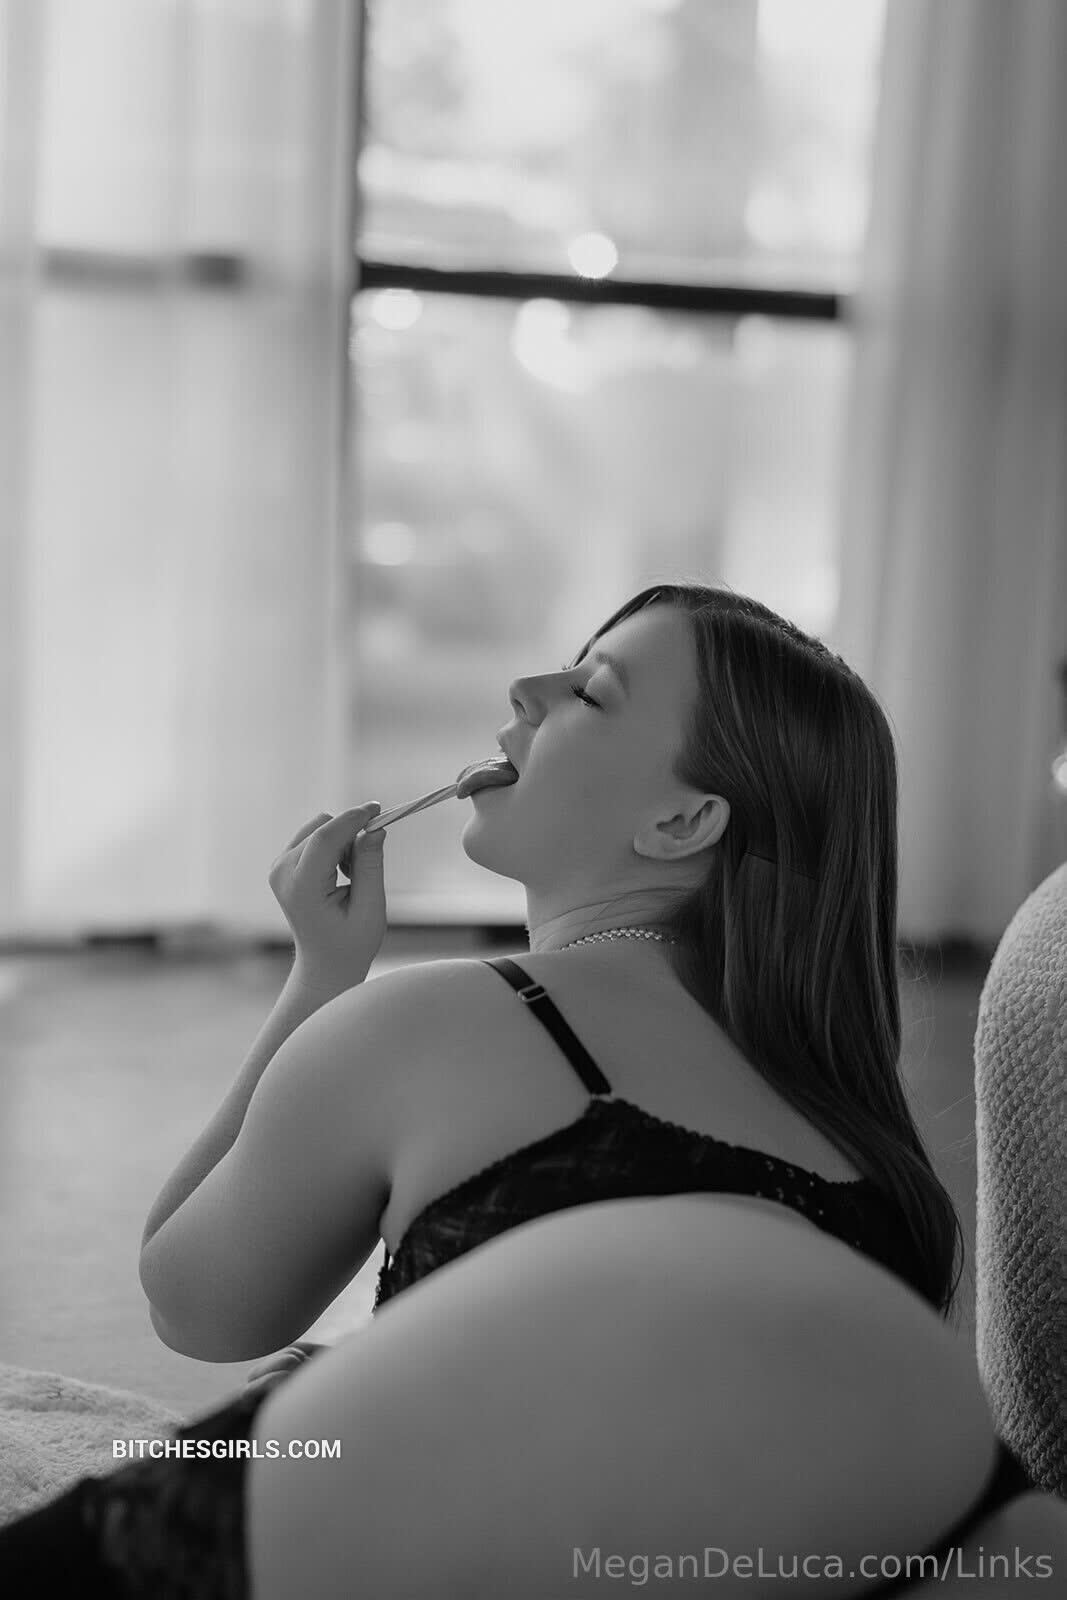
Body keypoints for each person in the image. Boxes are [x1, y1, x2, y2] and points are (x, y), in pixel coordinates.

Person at [0, 582, 1045, 1593]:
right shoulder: (856, 1133)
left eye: (589, 691)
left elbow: (194, 1303)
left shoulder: (435, 1024)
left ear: (682, 822)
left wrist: (319, 982)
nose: (525, 688)